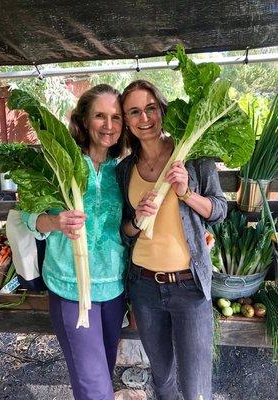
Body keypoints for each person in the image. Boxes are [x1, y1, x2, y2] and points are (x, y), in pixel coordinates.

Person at [116, 80, 227, 400]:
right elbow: (124, 233)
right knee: (162, 379)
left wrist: (187, 193)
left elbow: (219, 211)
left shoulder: (193, 158)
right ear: (126, 120)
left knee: (195, 387)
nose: (144, 118)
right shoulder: (125, 170)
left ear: (162, 109)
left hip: (189, 286)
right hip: (144, 287)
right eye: (134, 112)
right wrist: (136, 220)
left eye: (150, 108)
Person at [22, 84, 127, 400]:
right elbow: (27, 217)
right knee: (95, 388)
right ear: (83, 120)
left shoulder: (123, 169)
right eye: (99, 116)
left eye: (116, 117)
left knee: (101, 375)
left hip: (114, 289)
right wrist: (55, 221)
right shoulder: (60, 164)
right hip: (69, 288)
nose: (108, 126)